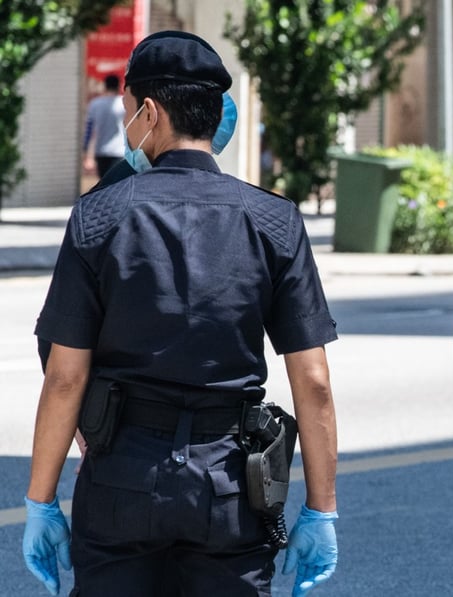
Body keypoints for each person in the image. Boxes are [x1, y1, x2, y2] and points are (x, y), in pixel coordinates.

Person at [23, 31, 340, 597]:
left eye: (127, 112)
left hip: (122, 475)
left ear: (149, 112)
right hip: (230, 486)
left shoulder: (97, 218)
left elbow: (65, 375)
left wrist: (41, 500)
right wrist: (322, 511)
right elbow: (312, 382)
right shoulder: (275, 222)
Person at [82, 74, 127, 178]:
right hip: (120, 150)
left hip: (101, 151)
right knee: (117, 183)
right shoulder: (123, 103)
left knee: (103, 182)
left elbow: (89, 130)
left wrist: (85, 152)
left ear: (105, 86)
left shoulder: (95, 104)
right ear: (119, 86)